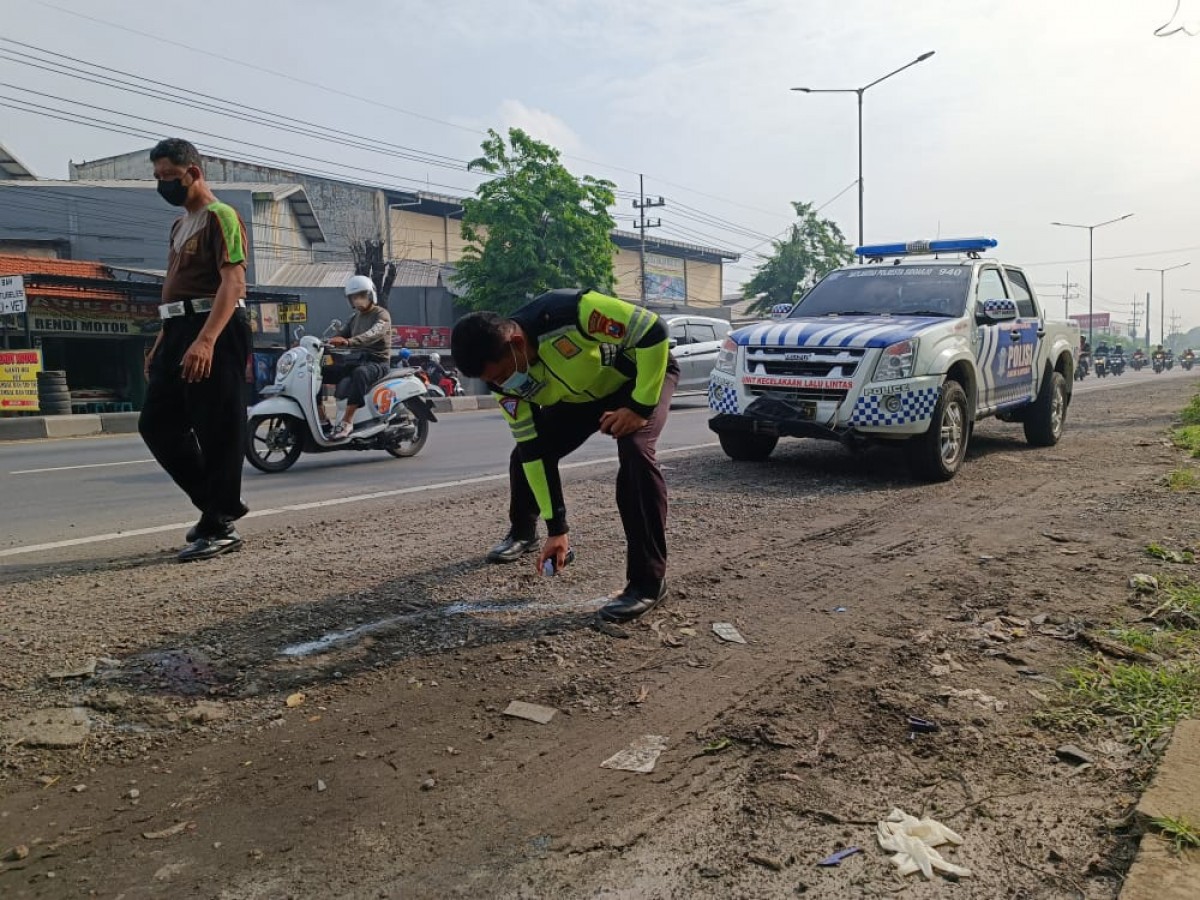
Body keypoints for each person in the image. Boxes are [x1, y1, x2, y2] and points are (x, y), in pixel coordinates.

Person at [450, 288, 678, 624]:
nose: (503, 384)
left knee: (635, 453)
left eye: (500, 375)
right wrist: (557, 527)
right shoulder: (503, 382)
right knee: (525, 455)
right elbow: (532, 446)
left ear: (514, 342)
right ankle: (524, 533)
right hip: (580, 399)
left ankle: (648, 582)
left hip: (637, 379)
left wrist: (640, 407)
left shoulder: (569, 312)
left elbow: (653, 331)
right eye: (493, 382)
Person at [139, 138, 252, 562]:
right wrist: (162, 341)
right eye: (157, 178)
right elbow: (175, 293)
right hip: (177, 329)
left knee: (217, 427)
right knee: (156, 423)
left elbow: (233, 283)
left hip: (215, 328)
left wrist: (206, 339)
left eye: (169, 177)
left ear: (194, 173)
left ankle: (220, 522)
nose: (163, 185)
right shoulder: (179, 225)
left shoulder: (221, 216)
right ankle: (216, 509)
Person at [320, 275, 393, 440]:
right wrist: (320, 343)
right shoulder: (354, 318)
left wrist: (347, 342)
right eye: (353, 297)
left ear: (370, 295)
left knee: (360, 373)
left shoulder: (382, 314)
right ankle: (322, 418)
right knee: (320, 372)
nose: (357, 299)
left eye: (361, 295)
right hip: (356, 360)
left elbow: (372, 335)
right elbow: (339, 335)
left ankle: (347, 421)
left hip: (378, 362)